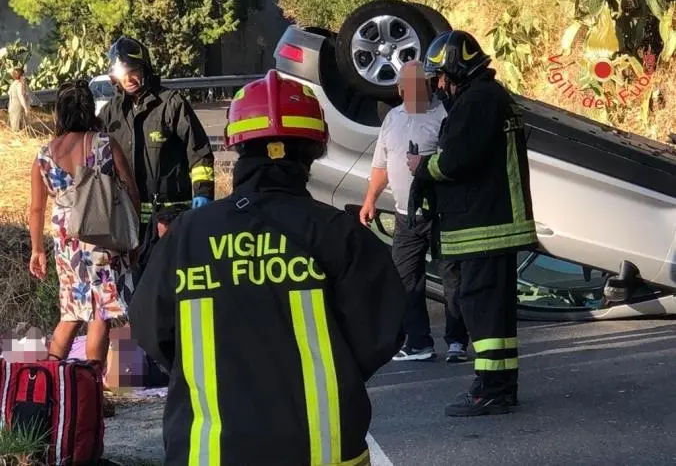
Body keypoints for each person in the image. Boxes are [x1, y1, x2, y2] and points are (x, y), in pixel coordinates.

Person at [129, 70, 408, 465]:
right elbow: (382, 330)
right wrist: (333, 373)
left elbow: (150, 329)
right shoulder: (337, 233)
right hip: (321, 450)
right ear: (313, 150)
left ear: (237, 147)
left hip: (209, 452)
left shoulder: (186, 236)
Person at [407, 30, 538, 417]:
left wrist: (422, 166)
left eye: (441, 78)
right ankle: (498, 385)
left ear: (455, 70)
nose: (439, 87)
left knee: (483, 309)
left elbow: (455, 161)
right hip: (487, 224)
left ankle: (492, 389)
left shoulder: (479, 100)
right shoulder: (488, 98)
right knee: (489, 309)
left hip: (485, 226)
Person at [360, 60, 469, 363]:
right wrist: (370, 198)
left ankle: (457, 341)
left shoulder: (446, 115)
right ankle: (419, 342)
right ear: (399, 89)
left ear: (429, 86)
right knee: (405, 278)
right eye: (407, 87)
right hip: (404, 215)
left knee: (452, 277)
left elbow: (456, 163)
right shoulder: (392, 119)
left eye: (419, 85)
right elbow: (381, 165)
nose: (413, 91)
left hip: (440, 212)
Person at [29, 80, 141, 367]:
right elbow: (131, 190)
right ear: (89, 109)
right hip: (102, 235)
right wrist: (134, 237)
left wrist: (37, 250)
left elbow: (36, 209)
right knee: (99, 313)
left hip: (67, 243)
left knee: (71, 311)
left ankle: (51, 383)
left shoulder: (44, 155)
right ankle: (93, 391)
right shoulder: (104, 143)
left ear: (60, 113)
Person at [98, 36, 215, 273]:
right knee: (136, 291)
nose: (128, 79)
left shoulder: (171, 105)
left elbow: (199, 152)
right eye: (123, 74)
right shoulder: (111, 114)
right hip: (128, 223)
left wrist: (203, 193)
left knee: (170, 287)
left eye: (134, 71)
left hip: (169, 220)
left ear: (146, 69)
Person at [8, 67, 30, 132]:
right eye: (23, 75)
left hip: (12, 107)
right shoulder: (19, 84)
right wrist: (26, 108)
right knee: (18, 128)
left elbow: (9, 94)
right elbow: (21, 96)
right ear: (21, 76)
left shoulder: (13, 84)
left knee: (14, 126)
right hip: (17, 108)